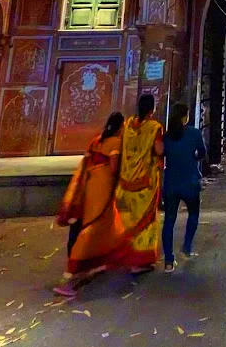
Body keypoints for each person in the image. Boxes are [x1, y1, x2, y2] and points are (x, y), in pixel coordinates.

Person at [53, 112, 129, 297]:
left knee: (96, 225)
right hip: (101, 190)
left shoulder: (96, 140)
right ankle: (70, 275)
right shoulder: (115, 143)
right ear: (120, 127)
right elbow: (112, 168)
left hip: (88, 187)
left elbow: (87, 161)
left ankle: (95, 262)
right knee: (92, 228)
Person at [116, 93, 164, 273]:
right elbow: (159, 150)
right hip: (145, 181)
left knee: (132, 218)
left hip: (127, 179)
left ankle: (129, 256)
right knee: (147, 220)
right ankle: (140, 260)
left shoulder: (128, 124)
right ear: (152, 108)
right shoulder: (154, 127)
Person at [161, 102, 208, 273]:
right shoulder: (194, 134)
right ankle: (186, 247)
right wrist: (192, 158)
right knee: (193, 214)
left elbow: (161, 155)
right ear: (185, 116)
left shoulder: (166, 136)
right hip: (190, 181)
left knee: (169, 221)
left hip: (171, 182)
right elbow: (202, 153)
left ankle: (168, 261)